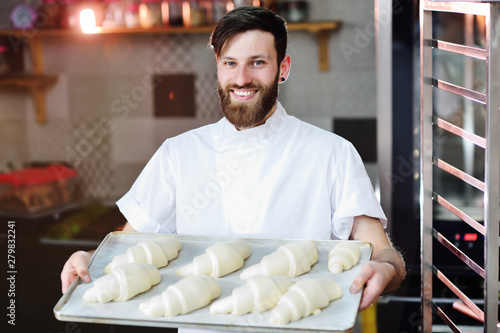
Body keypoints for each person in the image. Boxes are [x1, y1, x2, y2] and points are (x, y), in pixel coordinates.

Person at [61, 5, 405, 330]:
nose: (241, 78)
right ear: (217, 66)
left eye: (257, 63)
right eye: (230, 63)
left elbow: (382, 252)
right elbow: (128, 248)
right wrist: (89, 259)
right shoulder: (178, 154)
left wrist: (385, 269)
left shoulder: (332, 153)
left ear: (282, 68)